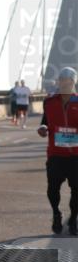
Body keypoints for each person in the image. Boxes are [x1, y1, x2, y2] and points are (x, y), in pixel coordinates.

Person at [37, 67, 78, 235]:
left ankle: (74, 219)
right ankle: (56, 213)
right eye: (62, 80)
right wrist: (43, 128)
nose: (65, 84)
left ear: (74, 82)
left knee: (77, 190)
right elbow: (45, 121)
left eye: (69, 81)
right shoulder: (49, 102)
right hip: (55, 155)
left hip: (76, 156)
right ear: (59, 82)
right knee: (52, 189)